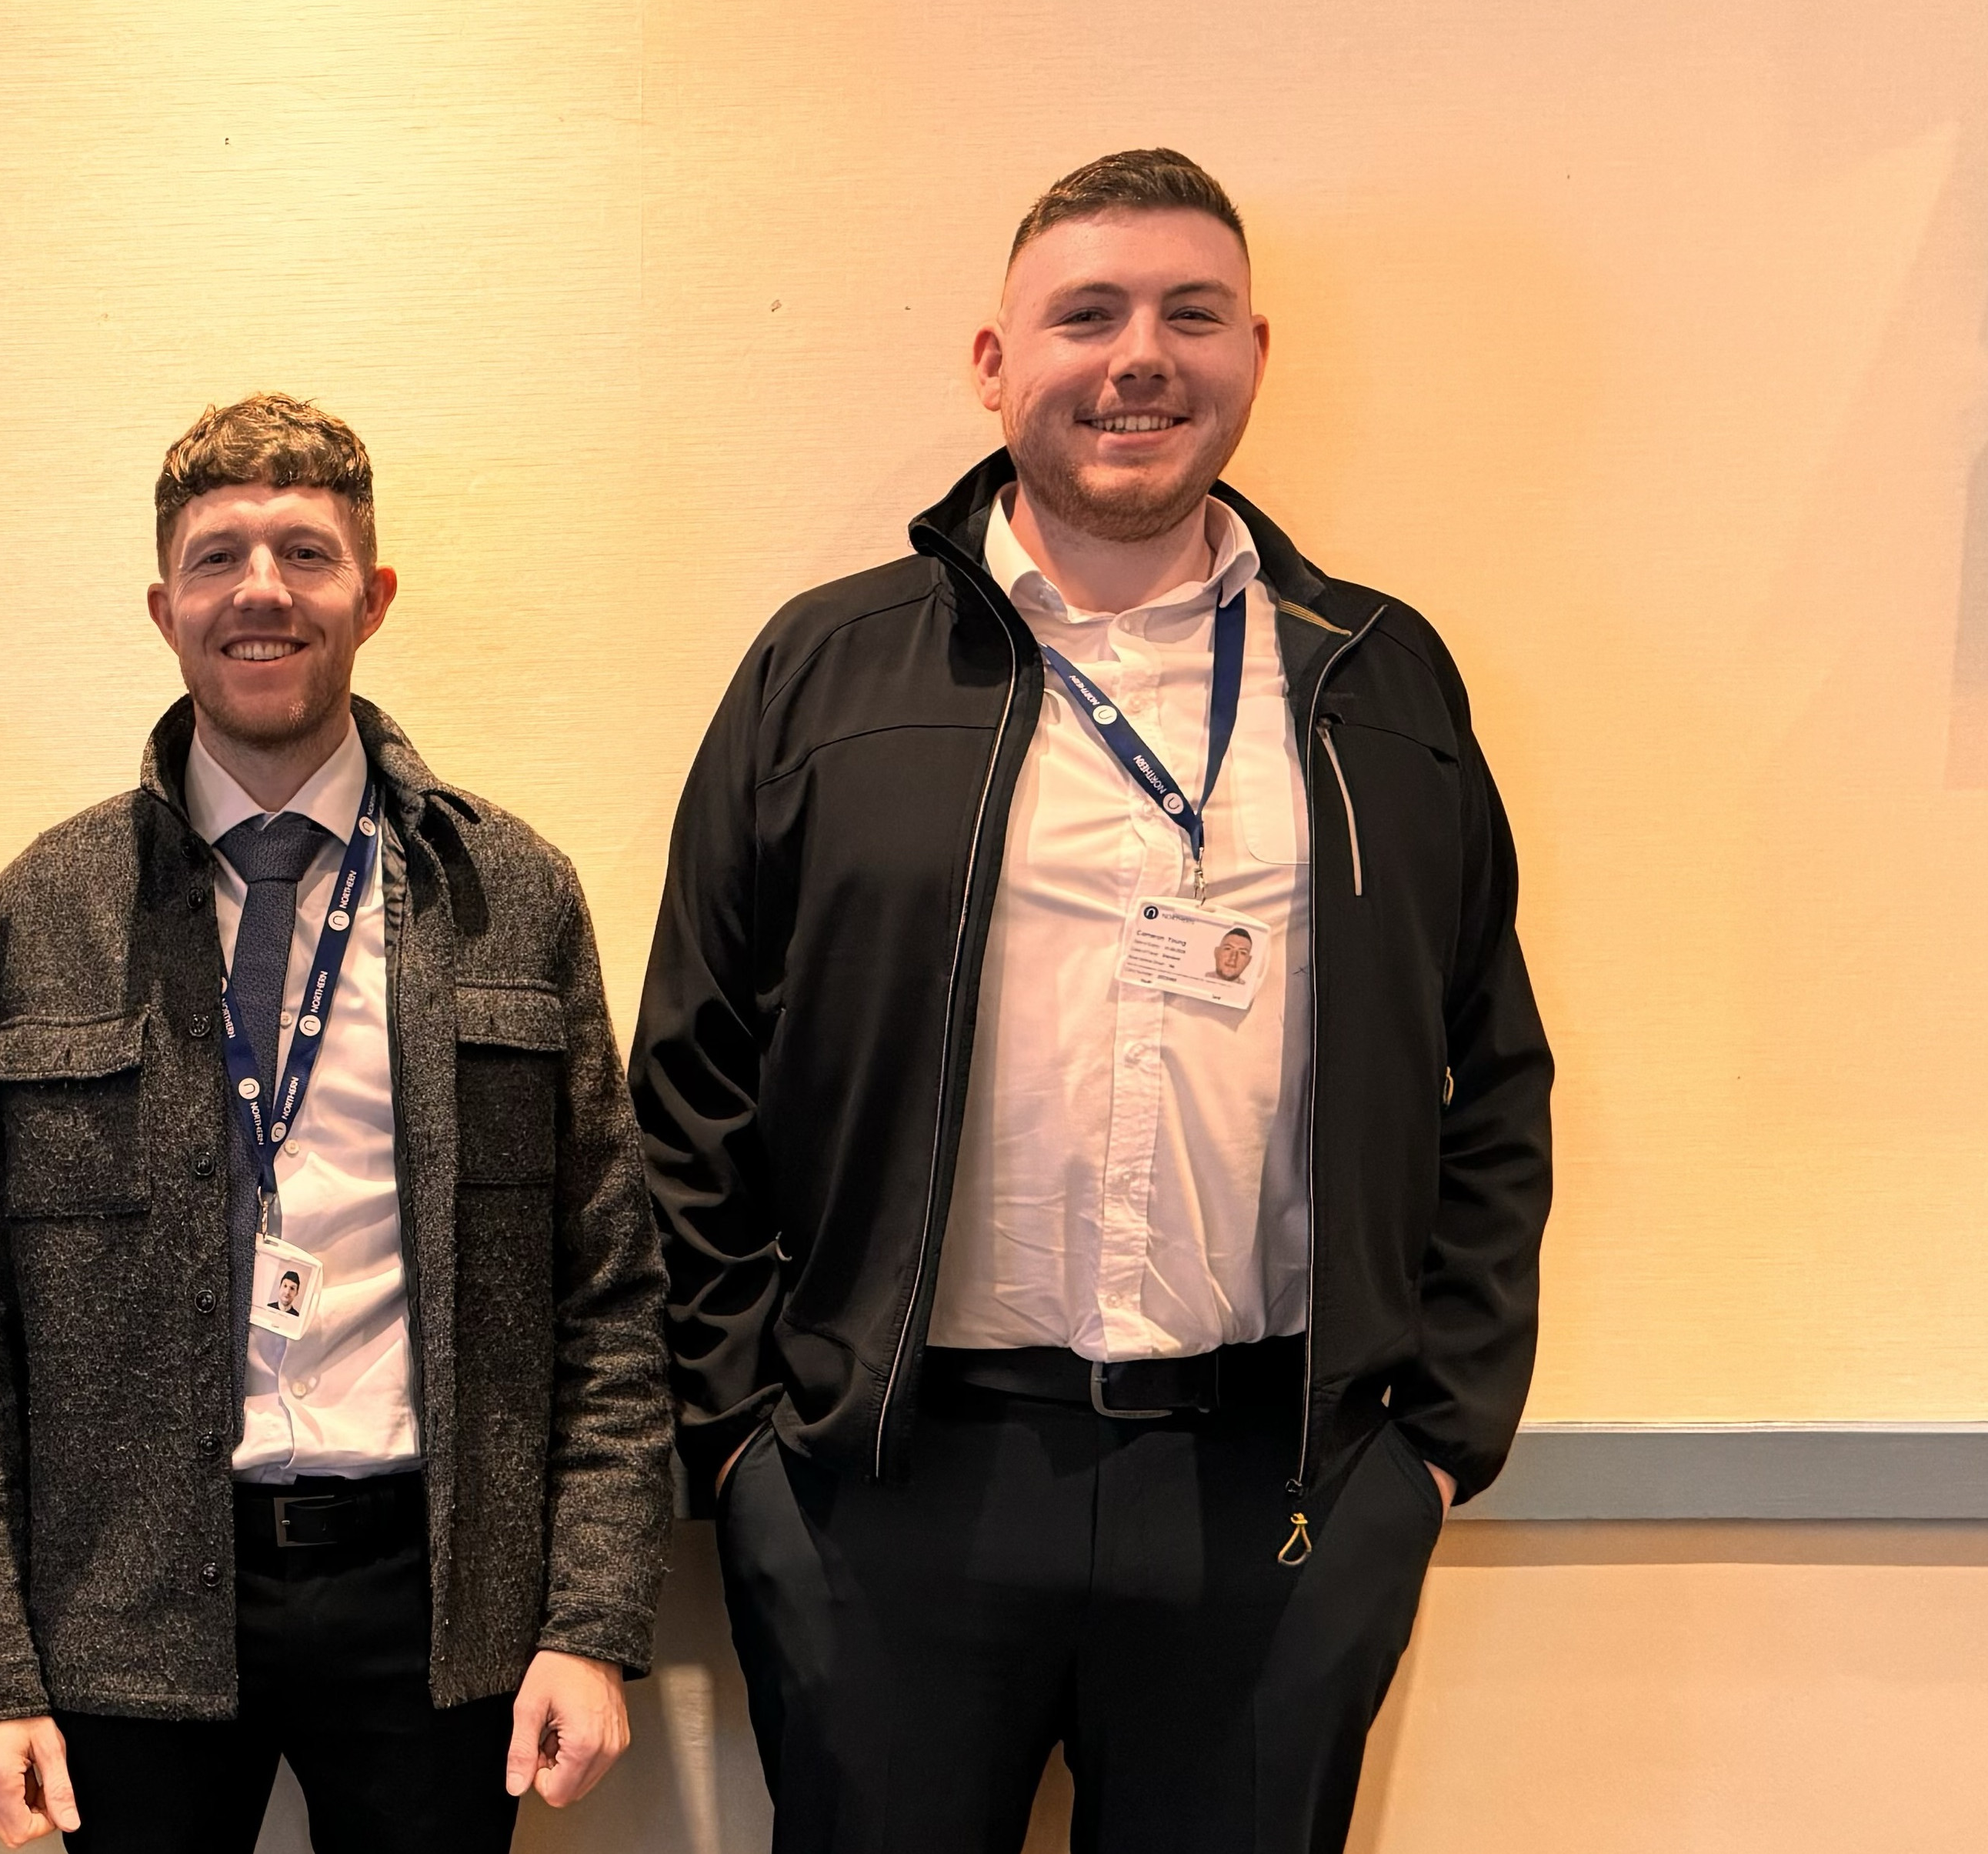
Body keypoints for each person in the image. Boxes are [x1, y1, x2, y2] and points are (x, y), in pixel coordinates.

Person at [635, 151, 1552, 1853]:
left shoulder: (1375, 676)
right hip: (887, 1486)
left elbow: (1489, 1076)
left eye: (1188, 313)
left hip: (1271, 1484)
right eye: (1089, 313)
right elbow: (687, 1076)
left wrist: (1428, 1446)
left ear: (1254, 353)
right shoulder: (822, 671)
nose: (1141, 354)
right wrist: (744, 1441)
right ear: (995, 362)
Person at [0, 394, 673, 1854]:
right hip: (124, 1608)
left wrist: (589, 1616)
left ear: (371, 598)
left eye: (304, 553)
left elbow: (610, 1297)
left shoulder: (509, 895)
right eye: (218, 558)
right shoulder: (40, 915)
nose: (259, 589)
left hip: (441, 1606)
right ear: (163, 606)